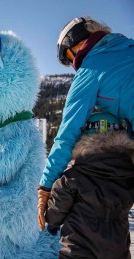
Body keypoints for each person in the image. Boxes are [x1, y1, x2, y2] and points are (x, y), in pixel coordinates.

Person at [38, 16, 134, 231]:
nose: (73, 64)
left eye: (69, 56)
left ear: (76, 41)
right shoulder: (128, 47)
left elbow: (67, 133)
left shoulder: (91, 69)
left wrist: (45, 186)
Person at [45, 112, 134, 259]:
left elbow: (59, 201)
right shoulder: (129, 176)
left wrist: (52, 222)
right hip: (116, 242)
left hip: (80, 241)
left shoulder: (75, 175)